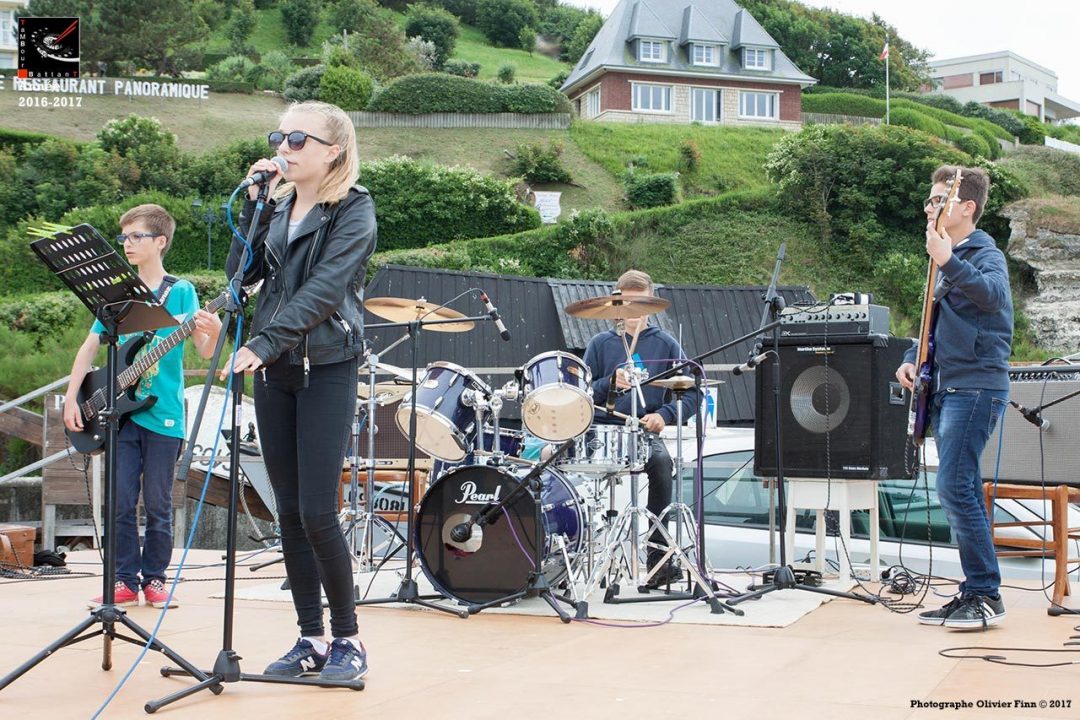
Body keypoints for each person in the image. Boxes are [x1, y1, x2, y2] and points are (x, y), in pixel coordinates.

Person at [225, 101, 377, 681]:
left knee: (317, 511)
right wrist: (255, 205)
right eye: (278, 137)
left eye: (296, 139)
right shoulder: (277, 207)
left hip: (327, 366)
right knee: (287, 510)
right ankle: (309, 636)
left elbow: (325, 289)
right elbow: (240, 279)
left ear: (333, 150)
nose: (283, 148)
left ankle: (348, 640)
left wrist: (266, 342)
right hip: (276, 371)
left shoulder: (354, 209)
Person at [65, 204, 222, 609]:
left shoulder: (181, 291)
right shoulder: (118, 295)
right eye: (124, 237)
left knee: (157, 503)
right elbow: (90, 345)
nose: (127, 244)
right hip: (119, 415)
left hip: (163, 413)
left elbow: (204, 351)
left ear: (160, 241)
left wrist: (215, 330)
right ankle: (123, 580)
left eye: (136, 236)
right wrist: (71, 397)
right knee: (119, 502)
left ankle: (155, 579)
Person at [896, 165, 1013, 630]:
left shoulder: (984, 252)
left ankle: (985, 593)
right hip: (949, 385)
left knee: (954, 485)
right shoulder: (946, 257)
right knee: (956, 485)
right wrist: (912, 357)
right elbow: (932, 324)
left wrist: (948, 260)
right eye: (929, 200)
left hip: (976, 385)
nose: (930, 207)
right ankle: (976, 590)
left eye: (938, 199)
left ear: (966, 207)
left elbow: (994, 296)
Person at [583, 269, 700, 587]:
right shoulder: (600, 344)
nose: (634, 310)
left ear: (651, 304)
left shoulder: (666, 344)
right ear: (616, 305)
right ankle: (569, 549)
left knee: (662, 463)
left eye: (640, 303)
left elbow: (692, 392)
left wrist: (665, 414)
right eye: (627, 303)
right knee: (556, 459)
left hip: (644, 430)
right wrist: (608, 383)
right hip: (603, 428)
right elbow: (583, 393)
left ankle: (658, 558)